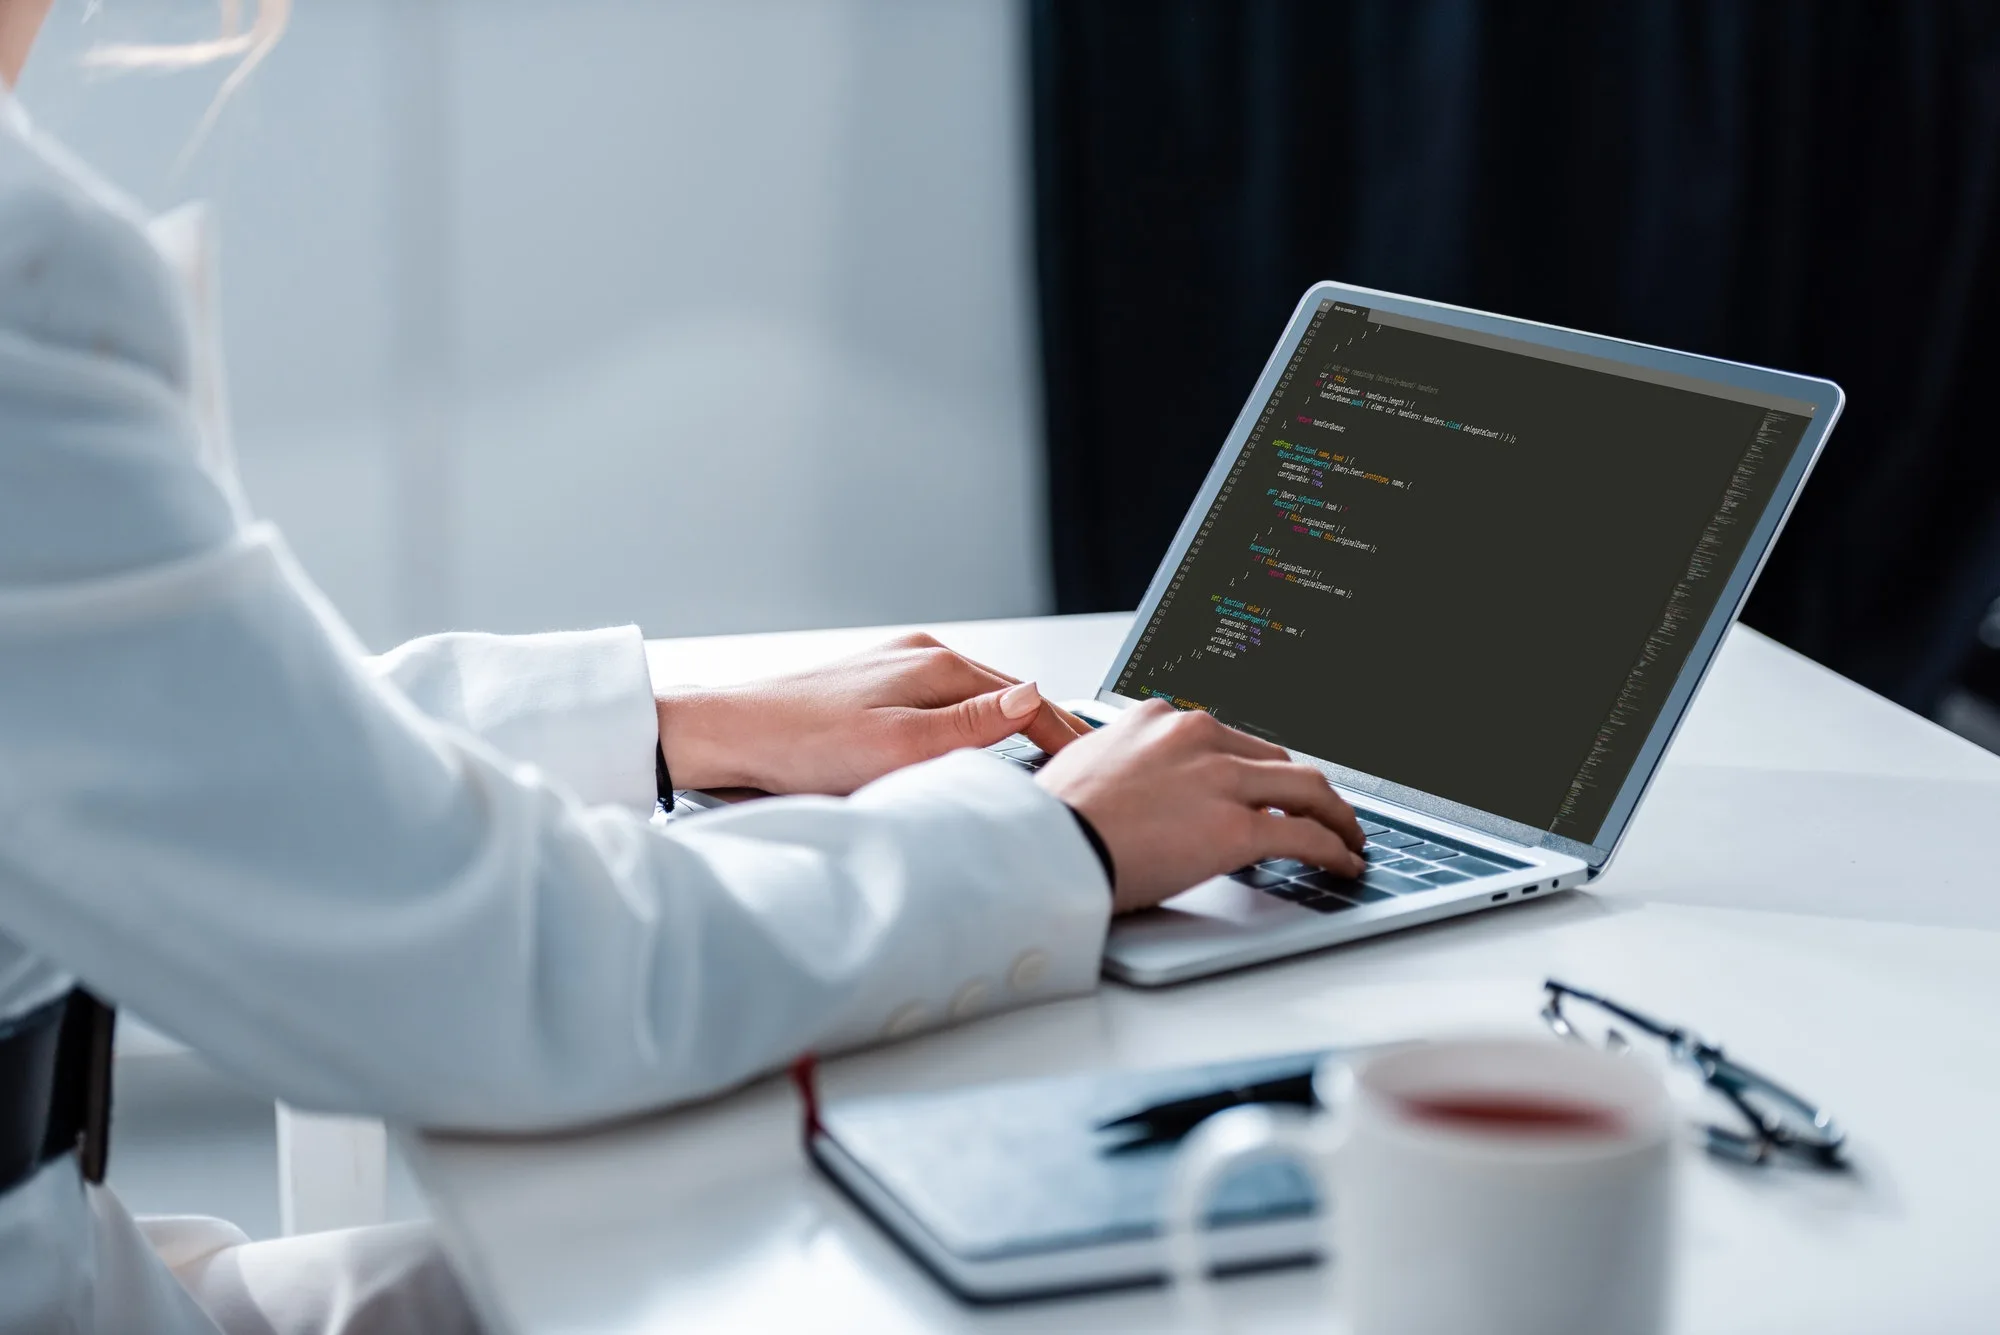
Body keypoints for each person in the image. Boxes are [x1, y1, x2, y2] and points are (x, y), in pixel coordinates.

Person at [0, 2, 1365, 1331]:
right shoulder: (29, 281)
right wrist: (1046, 839)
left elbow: (150, 739)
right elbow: (500, 974)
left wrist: (659, 727)